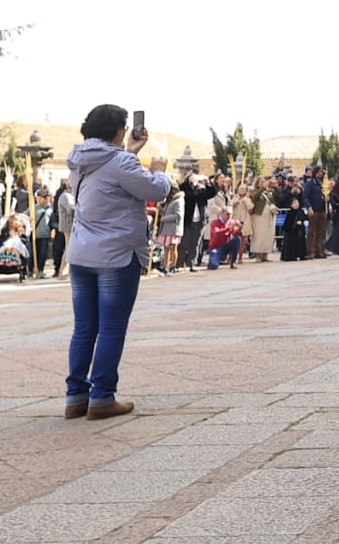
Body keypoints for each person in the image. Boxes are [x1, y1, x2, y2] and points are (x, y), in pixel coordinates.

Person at [64, 103, 171, 421]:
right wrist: (159, 169)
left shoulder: (78, 160)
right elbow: (154, 190)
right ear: (118, 130)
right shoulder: (121, 161)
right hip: (116, 254)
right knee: (111, 327)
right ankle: (102, 397)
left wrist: (129, 151)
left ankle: (76, 396)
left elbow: (110, 175)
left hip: (82, 254)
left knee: (84, 328)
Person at [177, 171, 216, 273]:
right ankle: (179, 264)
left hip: (200, 220)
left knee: (195, 244)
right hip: (188, 220)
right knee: (184, 243)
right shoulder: (185, 189)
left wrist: (206, 181)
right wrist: (189, 182)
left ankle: (191, 264)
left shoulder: (201, 190)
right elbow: (182, 189)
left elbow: (212, 192)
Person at [242, 176, 276, 262]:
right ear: (257, 183)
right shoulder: (254, 191)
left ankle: (265, 255)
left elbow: (276, 197)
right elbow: (254, 197)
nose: (263, 182)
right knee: (258, 236)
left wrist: (274, 185)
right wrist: (263, 188)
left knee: (267, 236)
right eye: (261, 181)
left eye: (264, 181)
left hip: (268, 215)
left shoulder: (269, 192)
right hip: (258, 216)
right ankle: (258, 255)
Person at [302, 167, 328, 259]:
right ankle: (310, 251)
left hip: (322, 210)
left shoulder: (323, 184)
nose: (320, 174)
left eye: (321, 172)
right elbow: (305, 196)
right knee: (312, 232)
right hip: (314, 210)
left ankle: (318, 251)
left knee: (320, 232)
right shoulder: (310, 184)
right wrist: (309, 207)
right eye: (318, 172)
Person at [52, 177, 76, 279]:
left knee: (69, 248)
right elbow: (71, 209)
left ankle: (63, 273)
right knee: (68, 249)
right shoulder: (66, 196)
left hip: (68, 224)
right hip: (68, 225)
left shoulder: (68, 195)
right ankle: (62, 273)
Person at [279, 197, 308, 262]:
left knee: (301, 241)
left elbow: (305, 218)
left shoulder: (301, 211)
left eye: (297, 203)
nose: (296, 204)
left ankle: (301, 255)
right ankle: (291, 256)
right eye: (294, 203)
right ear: (291, 205)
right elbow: (287, 225)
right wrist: (295, 223)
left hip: (299, 231)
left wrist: (301, 220)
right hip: (291, 232)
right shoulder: (290, 213)